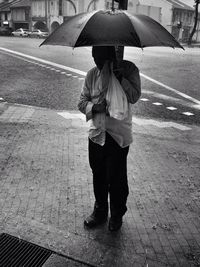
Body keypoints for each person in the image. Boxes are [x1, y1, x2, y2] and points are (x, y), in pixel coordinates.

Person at [78, 46, 141, 231]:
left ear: (111, 55)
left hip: (118, 135)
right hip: (97, 134)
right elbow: (81, 102)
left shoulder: (129, 70)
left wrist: (119, 77)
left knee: (117, 178)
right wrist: (96, 107)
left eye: (101, 58)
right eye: (94, 57)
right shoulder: (92, 75)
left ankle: (117, 214)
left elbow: (134, 96)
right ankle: (100, 212)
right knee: (98, 175)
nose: (97, 62)